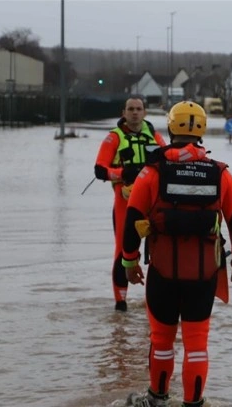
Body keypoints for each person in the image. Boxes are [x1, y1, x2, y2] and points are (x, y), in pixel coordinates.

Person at [121, 101, 232, 407]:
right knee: (197, 344)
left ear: (169, 128)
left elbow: (132, 220)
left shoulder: (152, 173)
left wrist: (130, 261)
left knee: (162, 342)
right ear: (201, 132)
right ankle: (193, 403)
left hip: (163, 271)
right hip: (204, 273)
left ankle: (157, 398)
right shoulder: (221, 174)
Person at [93, 95, 167, 312]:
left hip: (151, 202)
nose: (135, 112)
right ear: (123, 113)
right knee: (122, 250)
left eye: (139, 109)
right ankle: (120, 303)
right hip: (124, 200)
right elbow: (99, 170)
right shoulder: (113, 138)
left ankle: (153, 300)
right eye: (131, 109)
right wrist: (124, 173)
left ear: (144, 113)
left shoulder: (155, 136)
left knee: (156, 249)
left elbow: (168, 161)